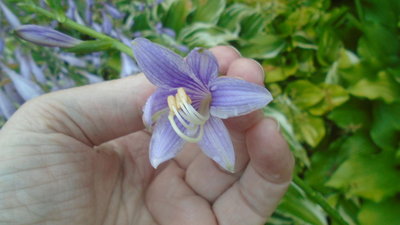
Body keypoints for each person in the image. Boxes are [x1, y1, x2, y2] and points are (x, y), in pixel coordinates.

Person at [0, 46, 294, 225]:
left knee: (254, 147)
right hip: (189, 123)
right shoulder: (174, 112)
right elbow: (164, 136)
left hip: (204, 113)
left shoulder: (207, 94)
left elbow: (205, 60)